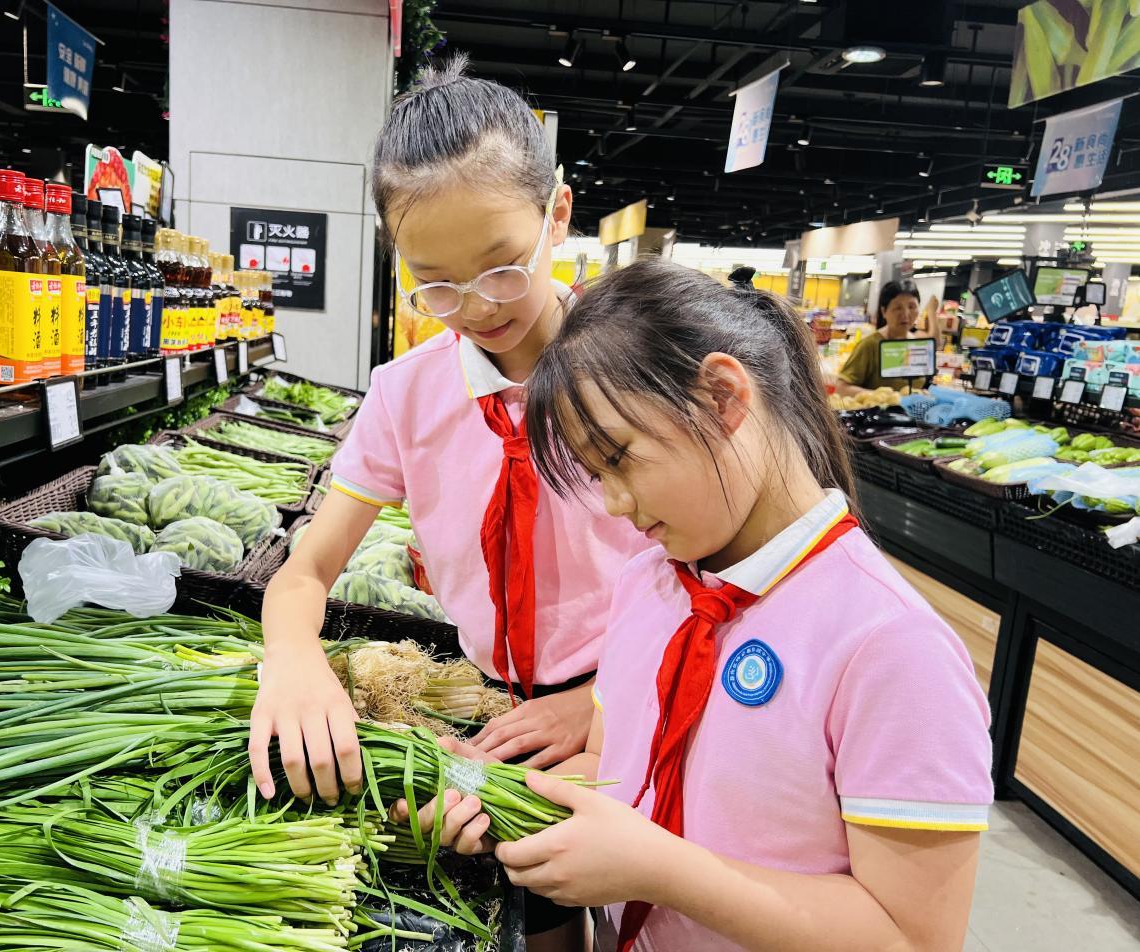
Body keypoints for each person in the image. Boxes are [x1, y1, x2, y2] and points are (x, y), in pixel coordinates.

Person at [411, 259, 994, 952]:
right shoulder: (649, 585)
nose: (615, 504)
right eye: (594, 476)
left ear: (722, 396)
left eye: (618, 459)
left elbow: (913, 937)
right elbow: (612, 769)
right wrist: (485, 788)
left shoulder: (890, 646)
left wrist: (660, 871)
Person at [247, 55, 645, 950]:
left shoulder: (634, 372)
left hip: (645, 700)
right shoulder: (407, 395)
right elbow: (307, 569)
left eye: (503, 268)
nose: (473, 308)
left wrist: (599, 701)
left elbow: (711, 573)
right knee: (537, 906)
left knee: (645, 908)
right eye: (432, 284)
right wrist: (293, 658)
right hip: (493, 716)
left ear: (558, 215)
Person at [835, 280, 941, 395]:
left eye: (912, 307)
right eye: (898, 308)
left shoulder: (918, 344)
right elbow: (842, 388)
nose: (905, 314)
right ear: (884, 311)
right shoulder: (870, 345)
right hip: (875, 412)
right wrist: (882, 397)